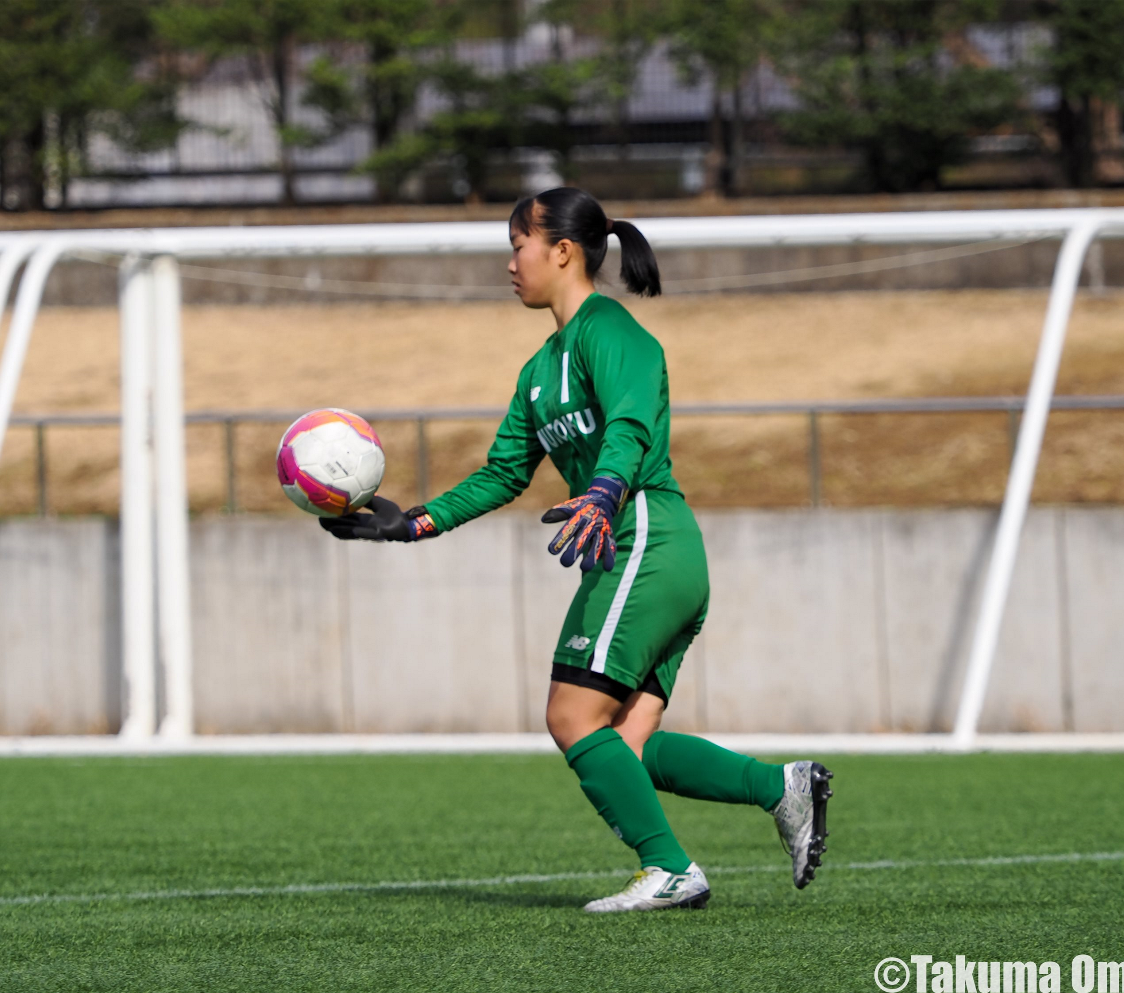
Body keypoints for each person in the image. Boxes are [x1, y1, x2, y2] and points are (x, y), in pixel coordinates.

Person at [323, 187, 833, 913]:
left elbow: (629, 424)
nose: (510, 263)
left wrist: (604, 492)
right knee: (621, 746)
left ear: (561, 251)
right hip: (636, 544)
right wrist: (412, 524)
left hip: (645, 535)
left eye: (517, 245)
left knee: (569, 717)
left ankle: (670, 869)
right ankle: (780, 787)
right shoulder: (539, 371)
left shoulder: (612, 331)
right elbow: (503, 474)